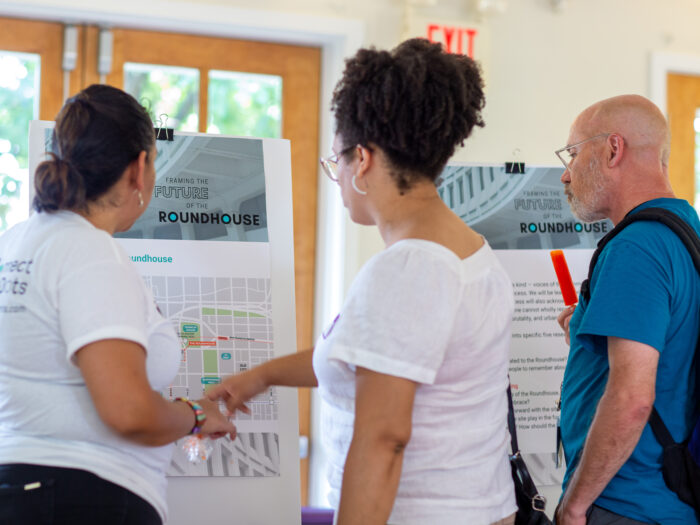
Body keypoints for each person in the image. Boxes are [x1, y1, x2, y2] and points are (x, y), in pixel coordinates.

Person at [207, 38, 517, 525]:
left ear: (363, 160)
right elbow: (375, 361)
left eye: (337, 162)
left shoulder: (409, 269)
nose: (338, 176)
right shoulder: (468, 250)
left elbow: (382, 438)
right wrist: (261, 376)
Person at [0, 84, 236, 525]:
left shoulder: (14, 243)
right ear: (139, 168)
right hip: (85, 499)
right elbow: (128, 412)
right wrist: (195, 414)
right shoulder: (89, 252)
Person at [554, 95, 700, 524]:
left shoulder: (636, 247)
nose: (566, 174)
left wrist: (575, 506)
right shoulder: (684, 229)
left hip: (627, 503)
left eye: (573, 154)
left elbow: (633, 398)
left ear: (613, 150)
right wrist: (585, 330)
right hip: (669, 499)